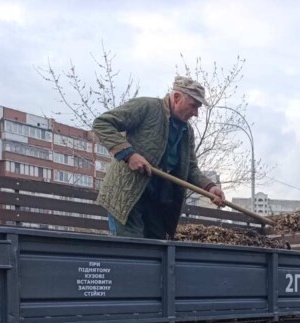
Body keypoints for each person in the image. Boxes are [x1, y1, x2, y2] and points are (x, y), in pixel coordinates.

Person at [93, 75, 227, 240]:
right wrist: (129, 155)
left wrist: (210, 187)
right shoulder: (146, 107)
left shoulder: (187, 132)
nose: (196, 113)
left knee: (158, 248)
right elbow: (102, 123)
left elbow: (190, 168)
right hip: (128, 196)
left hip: (156, 200)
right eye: (193, 106)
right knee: (131, 248)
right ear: (176, 97)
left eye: (198, 108)